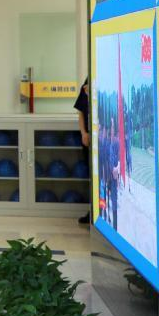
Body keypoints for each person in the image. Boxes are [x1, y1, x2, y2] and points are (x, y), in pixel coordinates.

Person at [74, 77, 90, 225]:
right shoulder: (87, 81)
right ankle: (93, 212)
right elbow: (80, 112)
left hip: (103, 141)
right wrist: (83, 133)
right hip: (88, 141)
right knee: (91, 177)